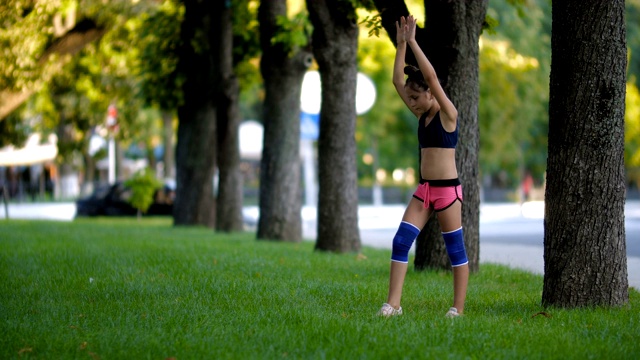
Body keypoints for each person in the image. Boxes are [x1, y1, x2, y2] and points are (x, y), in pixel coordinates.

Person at [378, 15, 469, 318]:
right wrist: (401, 45)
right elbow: (395, 81)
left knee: (455, 250)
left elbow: (430, 77)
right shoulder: (422, 116)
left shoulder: (448, 114)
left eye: (416, 97)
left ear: (431, 93)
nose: (412, 103)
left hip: (447, 193)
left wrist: (414, 42)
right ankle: (393, 305)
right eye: (410, 98)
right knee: (401, 241)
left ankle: (457, 309)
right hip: (425, 190)